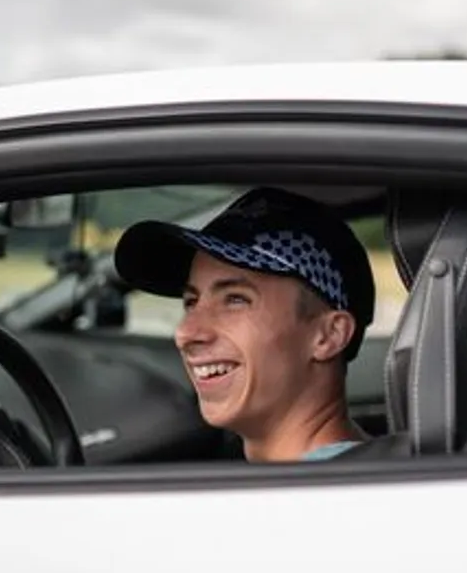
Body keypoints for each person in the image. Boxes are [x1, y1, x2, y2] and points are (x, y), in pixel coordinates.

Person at [113, 186, 376, 462]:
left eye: (235, 299)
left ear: (328, 335)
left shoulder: (320, 500)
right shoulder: (351, 474)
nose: (185, 333)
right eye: (191, 302)